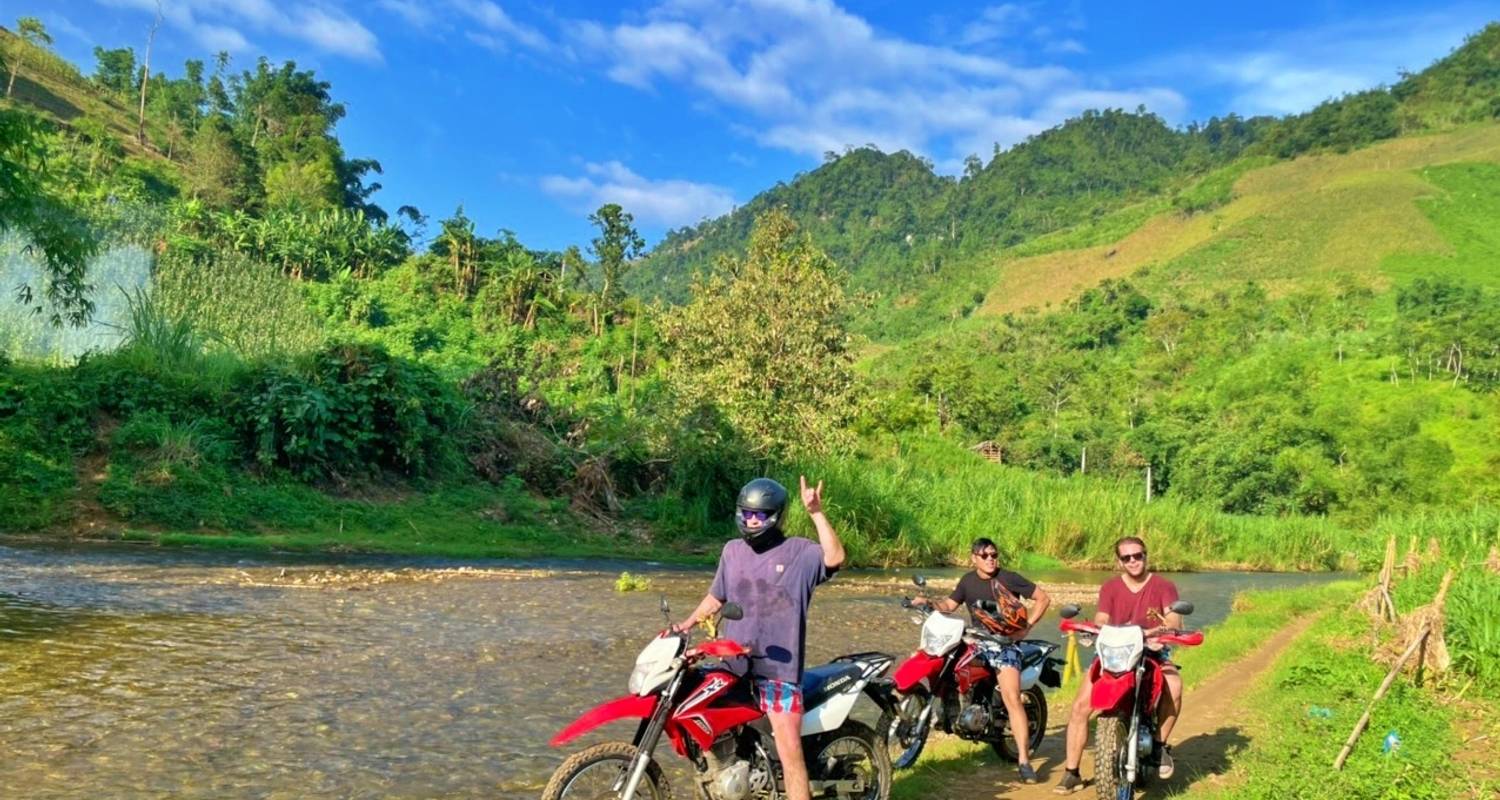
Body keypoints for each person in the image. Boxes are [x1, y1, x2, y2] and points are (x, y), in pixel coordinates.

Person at [676, 476, 844, 800]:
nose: (752, 520)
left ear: (775, 516)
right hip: (733, 667)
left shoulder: (799, 552)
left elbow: (835, 557)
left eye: (760, 515)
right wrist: (684, 627)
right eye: (747, 513)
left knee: (790, 753)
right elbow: (716, 599)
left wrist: (816, 513)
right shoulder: (732, 551)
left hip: (778, 673)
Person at [913, 537, 1051, 783]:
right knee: (940, 663)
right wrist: (929, 603)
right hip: (974, 640)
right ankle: (947, 713)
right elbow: (949, 604)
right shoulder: (967, 581)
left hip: (1005, 644)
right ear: (973, 558)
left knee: (1011, 697)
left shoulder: (1009, 578)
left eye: (994, 554)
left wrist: (1027, 627)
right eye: (984, 555)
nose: (990, 559)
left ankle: (1023, 760)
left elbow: (1043, 598)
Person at [1054, 536, 1183, 795]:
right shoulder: (1111, 587)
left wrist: (1164, 629)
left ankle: (1159, 746)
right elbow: (1103, 616)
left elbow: (1174, 618)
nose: (1133, 561)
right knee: (1080, 706)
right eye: (1127, 557)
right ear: (1119, 561)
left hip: (1151, 649)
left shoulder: (1163, 585)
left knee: (1175, 685)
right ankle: (1072, 772)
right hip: (1115, 651)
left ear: (1146, 555)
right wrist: (1094, 628)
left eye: (1138, 555)